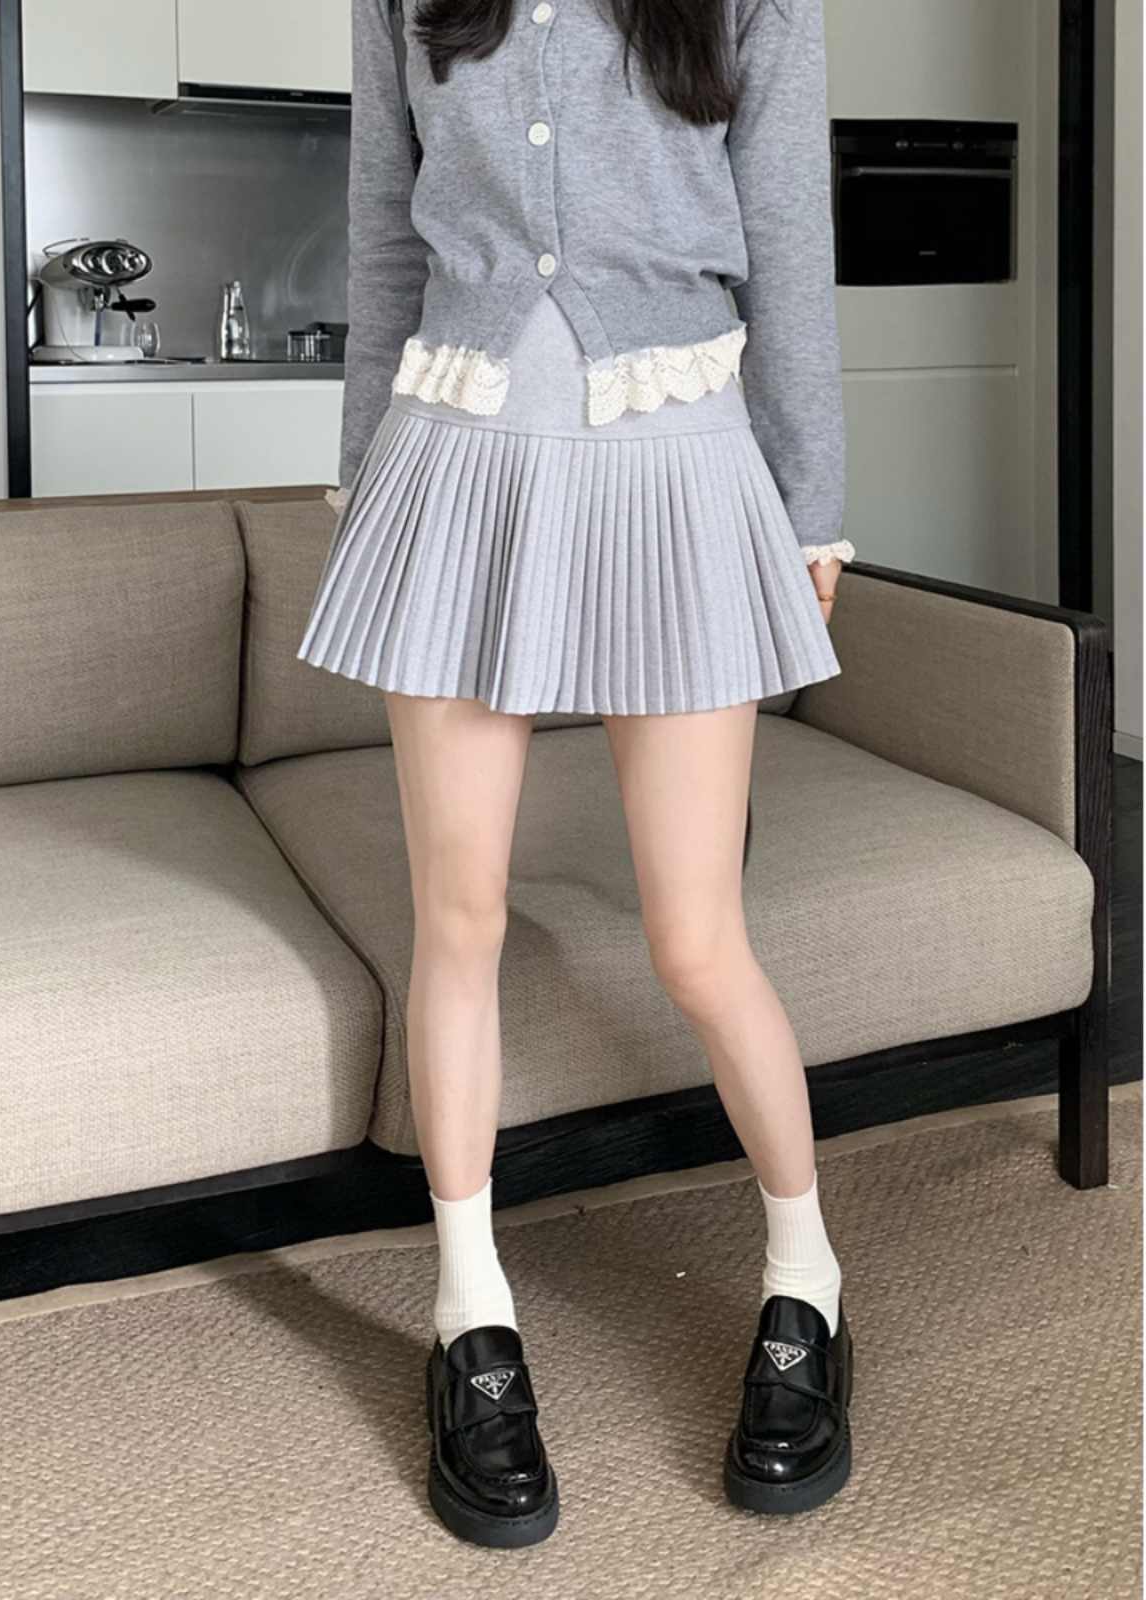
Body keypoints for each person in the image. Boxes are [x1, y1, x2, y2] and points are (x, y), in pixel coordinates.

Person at [298, 0, 856, 1548]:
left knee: (697, 937)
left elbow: (788, 235)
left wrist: (811, 503)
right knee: (458, 917)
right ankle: (469, 1311)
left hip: (680, 462)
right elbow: (382, 233)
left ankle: (806, 1275)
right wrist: (362, 483)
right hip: (452, 462)